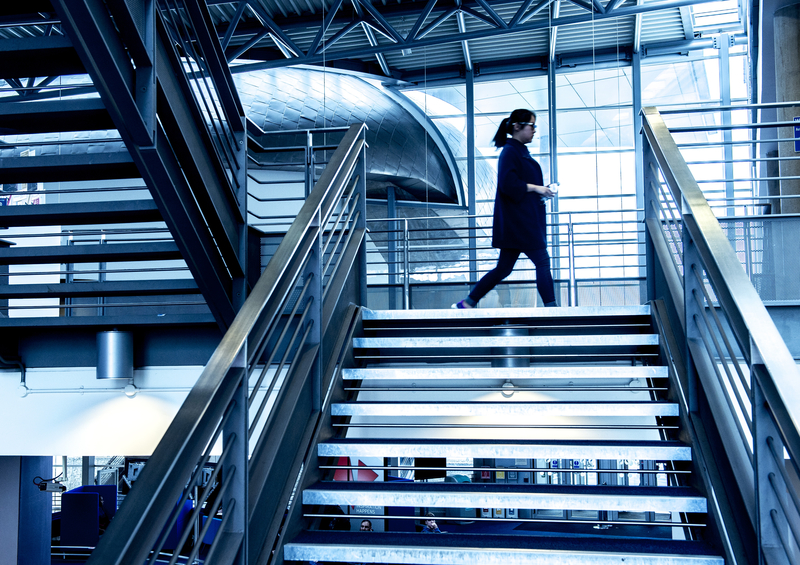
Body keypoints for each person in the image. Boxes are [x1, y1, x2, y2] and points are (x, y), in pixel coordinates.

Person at [453, 109, 558, 309]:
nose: (534, 130)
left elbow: (515, 184)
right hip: (522, 223)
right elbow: (508, 184)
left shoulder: (516, 151)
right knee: (542, 262)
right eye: (532, 125)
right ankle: (551, 308)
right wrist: (537, 188)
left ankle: (468, 302)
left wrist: (539, 190)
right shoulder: (510, 152)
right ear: (517, 126)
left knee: (504, 268)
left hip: (519, 223)